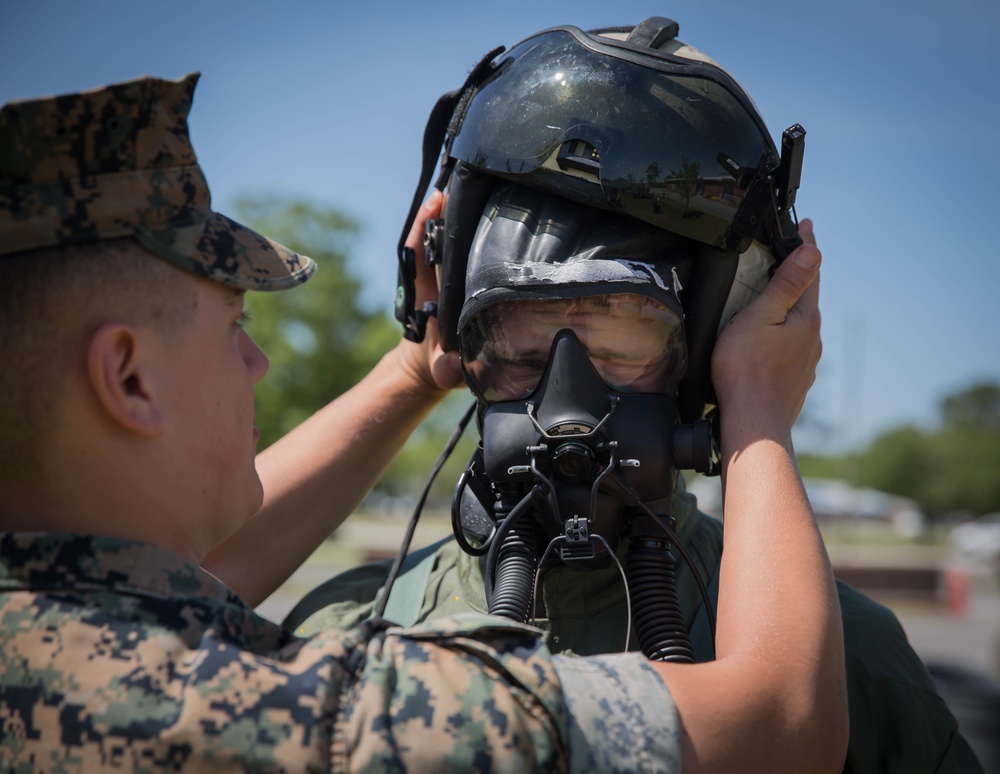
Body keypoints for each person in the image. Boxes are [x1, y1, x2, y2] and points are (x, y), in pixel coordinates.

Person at [0, 72, 847, 771]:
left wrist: (416, 367)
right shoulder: (334, 710)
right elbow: (784, 718)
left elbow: (184, 576)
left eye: (618, 341)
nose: (257, 365)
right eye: (234, 327)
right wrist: (760, 414)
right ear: (129, 377)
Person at [284, 17, 984, 774]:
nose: (566, 405)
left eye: (622, 347)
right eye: (521, 345)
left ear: (711, 352)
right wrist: (422, 355)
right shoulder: (354, 624)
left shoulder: (850, 662)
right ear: (460, 332)